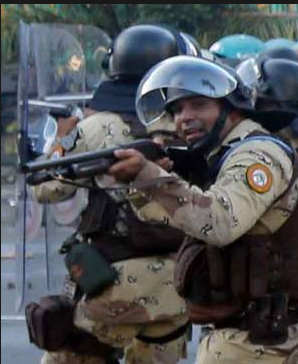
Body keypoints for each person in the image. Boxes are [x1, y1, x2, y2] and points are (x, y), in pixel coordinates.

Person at [110, 55, 298, 364]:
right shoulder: (226, 154)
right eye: (178, 109)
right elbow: (177, 220)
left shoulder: (256, 154)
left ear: (232, 109)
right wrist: (147, 183)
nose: (185, 117)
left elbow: (220, 222)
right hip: (251, 337)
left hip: (261, 344)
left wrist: (152, 178)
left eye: (199, 104)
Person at [31, 24, 192, 364]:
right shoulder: (189, 125)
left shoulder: (95, 126)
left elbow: (46, 188)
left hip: (108, 278)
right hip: (175, 279)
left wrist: (60, 140)